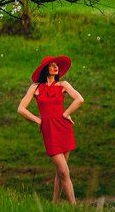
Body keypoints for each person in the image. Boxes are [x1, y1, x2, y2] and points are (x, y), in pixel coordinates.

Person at [17, 55, 84, 204]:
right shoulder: (35, 88)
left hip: (64, 129)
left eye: (57, 65)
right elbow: (21, 109)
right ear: (45, 69)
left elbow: (80, 99)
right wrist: (38, 120)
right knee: (63, 172)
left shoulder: (63, 85)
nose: (56, 67)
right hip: (49, 131)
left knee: (60, 172)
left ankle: (54, 204)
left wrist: (66, 114)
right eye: (52, 65)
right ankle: (75, 207)